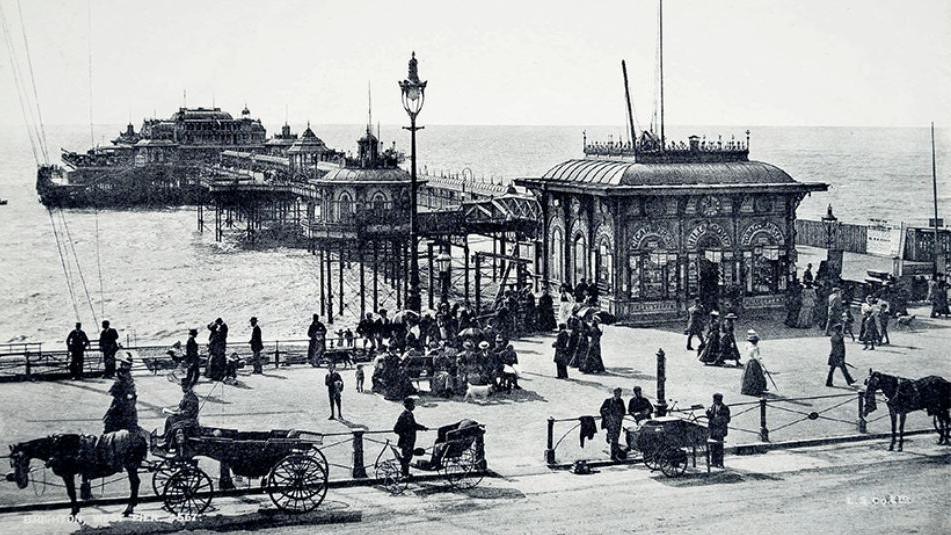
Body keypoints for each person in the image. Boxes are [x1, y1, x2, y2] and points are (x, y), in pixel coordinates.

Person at [158, 379, 200, 450]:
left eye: (184, 387)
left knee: (175, 425)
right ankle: (166, 437)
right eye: (182, 386)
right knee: (170, 419)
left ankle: (168, 443)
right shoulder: (187, 395)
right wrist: (175, 412)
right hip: (185, 416)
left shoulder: (192, 398)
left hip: (189, 419)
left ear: (189, 387)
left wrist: (178, 413)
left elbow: (188, 412)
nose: (183, 388)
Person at [103, 352, 138, 433]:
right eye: (125, 364)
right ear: (122, 365)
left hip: (128, 402)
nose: (128, 366)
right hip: (122, 402)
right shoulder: (121, 375)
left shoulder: (127, 375)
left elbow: (131, 388)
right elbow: (115, 390)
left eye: (129, 364)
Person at [393, 397, 428, 477]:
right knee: (407, 457)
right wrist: (423, 428)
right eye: (413, 404)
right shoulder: (407, 415)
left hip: (407, 439)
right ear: (408, 405)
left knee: (407, 456)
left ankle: (405, 472)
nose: (414, 406)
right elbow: (412, 425)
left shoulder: (406, 414)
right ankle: (405, 473)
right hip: (407, 440)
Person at [599, 387, 627, 461]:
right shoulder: (608, 401)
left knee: (616, 438)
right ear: (614, 393)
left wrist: (620, 416)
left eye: (620, 393)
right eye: (618, 393)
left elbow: (623, 411)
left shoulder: (621, 401)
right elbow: (601, 410)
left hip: (618, 423)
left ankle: (615, 453)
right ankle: (613, 456)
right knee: (613, 439)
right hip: (610, 423)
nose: (619, 395)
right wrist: (608, 413)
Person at [706, 393, 731, 468]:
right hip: (713, 430)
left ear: (719, 400)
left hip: (720, 430)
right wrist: (708, 413)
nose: (713, 401)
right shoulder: (713, 406)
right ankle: (714, 462)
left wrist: (718, 420)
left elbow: (727, 419)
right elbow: (711, 417)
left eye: (715, 400)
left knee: (719, 447)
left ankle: (720, 463)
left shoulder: (725, 408)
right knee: (713, 447)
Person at [740, 330, 767, 396]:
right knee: (757, 376)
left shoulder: (748, 346)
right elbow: (757, 357)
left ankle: (748, 389)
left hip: (749, 362)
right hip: (754, 362)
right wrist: (761, 364)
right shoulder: (755, 348)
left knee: (749, 376)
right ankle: (757, 389)